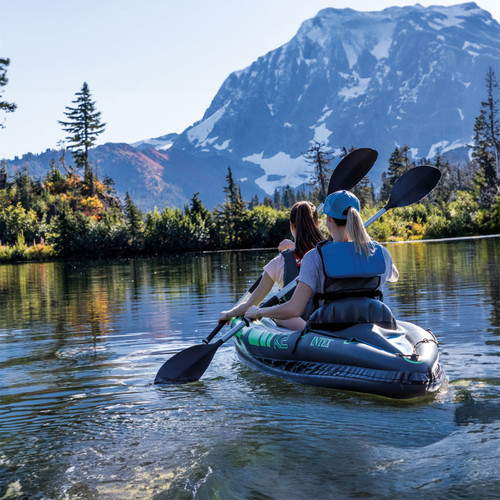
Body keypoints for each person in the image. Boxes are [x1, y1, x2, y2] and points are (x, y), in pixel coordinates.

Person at [246, 190, 398, 323]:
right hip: (372, 323)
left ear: (329, 220)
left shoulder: (315, 257)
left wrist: (259, 312)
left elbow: (294, 309)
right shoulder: (380, 252)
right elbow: (394, 276)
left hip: (330, 328)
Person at [219, 200, 325, 330]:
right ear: (317, 224)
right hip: (328, 318)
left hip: (298, 323)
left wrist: (228, 314)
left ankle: (314, 333)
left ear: (291, 225)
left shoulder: (279, 262)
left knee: (277, 314)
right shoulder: (328, 254)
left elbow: (250, 305)